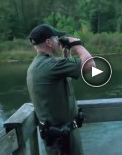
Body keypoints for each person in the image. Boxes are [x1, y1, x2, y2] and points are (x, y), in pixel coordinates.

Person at [26, 24, 95, 155]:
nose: (59, 41)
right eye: (56, 38)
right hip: (63, 140)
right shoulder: (50, 65)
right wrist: (77, 44)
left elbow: (59, 80)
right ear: (48, 42)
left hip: (57, 137)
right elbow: (90, 65)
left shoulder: (39, 64)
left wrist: (66, 55)